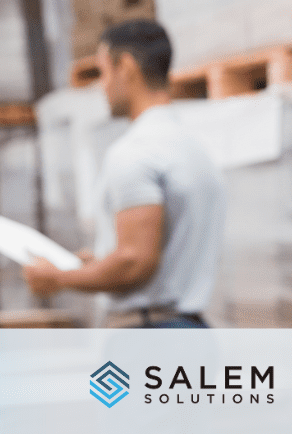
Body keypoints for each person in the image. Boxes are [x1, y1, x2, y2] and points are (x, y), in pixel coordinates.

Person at [23, 20, 225, 328]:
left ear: (126, 67)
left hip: (149, 333)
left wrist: (58, 277)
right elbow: (164, 249)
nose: (102, 87)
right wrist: (102, 260)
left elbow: (135, 262)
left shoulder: (135, 152)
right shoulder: (194, 149)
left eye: (104, 72)